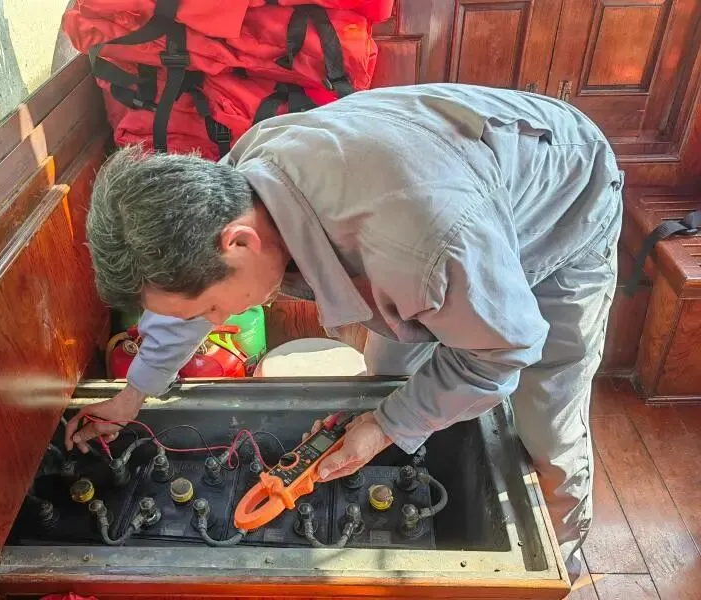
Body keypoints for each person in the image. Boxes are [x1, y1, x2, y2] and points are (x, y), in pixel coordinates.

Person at [64, 83, 622, 581]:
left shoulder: (423, 242)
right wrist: (134, 394)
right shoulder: (232, 188)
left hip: (563, 201)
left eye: (212, 308)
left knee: (546, 426)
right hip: (447, 212)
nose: (213, 322)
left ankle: (560, 564)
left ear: (239, 243)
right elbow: (180, 301)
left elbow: (504, 349)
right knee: (384, 380)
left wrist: (387, 426)